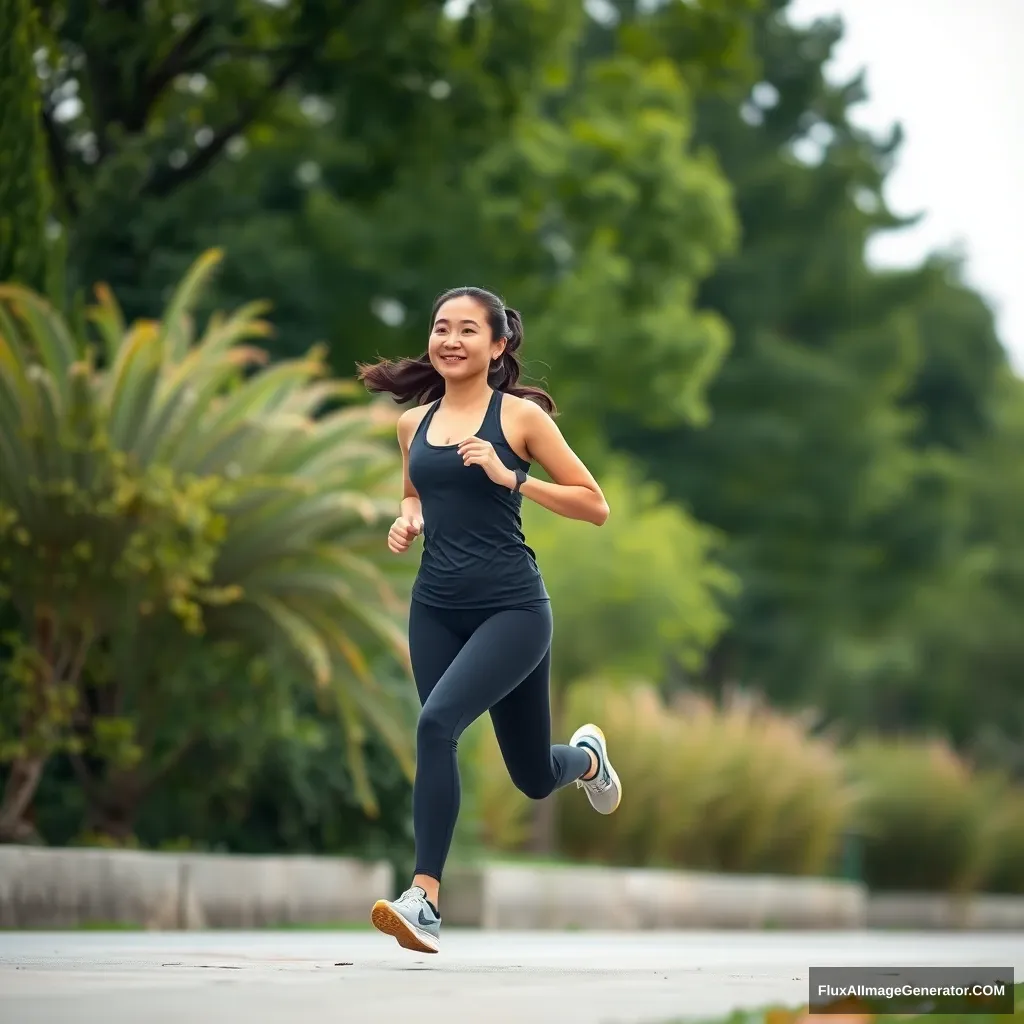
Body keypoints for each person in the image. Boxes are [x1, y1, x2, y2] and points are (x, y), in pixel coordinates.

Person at [357, 286, 621, 954]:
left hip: (513, 609)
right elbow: (418, 491)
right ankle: (586, 762)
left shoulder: (521, 419)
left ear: (498, 345)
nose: (450, 340)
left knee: (443, 727)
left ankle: (425, 900)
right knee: (513, 766)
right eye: (441, 328)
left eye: (468, 330)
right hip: (436, 608)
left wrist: (514, 478)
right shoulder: (412, 426)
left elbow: (595, 505)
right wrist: (407, 517)